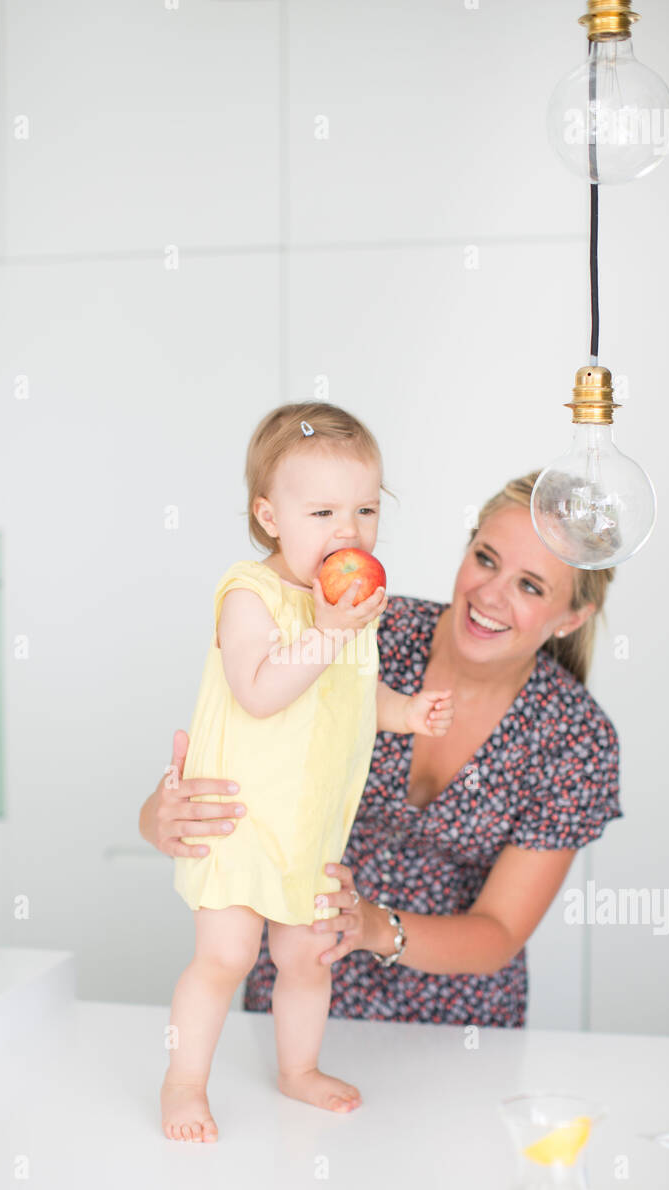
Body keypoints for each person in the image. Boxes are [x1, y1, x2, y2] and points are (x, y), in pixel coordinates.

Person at [140, 467, 623, 1131]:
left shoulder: (575, 737)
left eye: (531, 586)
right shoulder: (364, 625)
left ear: (573, 615)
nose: (489, 594)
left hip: (456, 1028)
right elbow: (248, 726)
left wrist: (372, 926)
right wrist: (159, 814)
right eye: (485, 558)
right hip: (295, 976)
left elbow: (499, 933)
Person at [162, 402, 454, 1143]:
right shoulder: (249, 597)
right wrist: (326, 631)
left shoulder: (350, 607)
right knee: (224, 957)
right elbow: (260, 692)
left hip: (311, 826)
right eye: (322, 511)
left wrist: (406, 713)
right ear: (269, 517)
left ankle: (297, 1069)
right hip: (237, 819)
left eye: (364, 508)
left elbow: (349, 690)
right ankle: (183, 1080)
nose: (347, 531)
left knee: (308, 956)